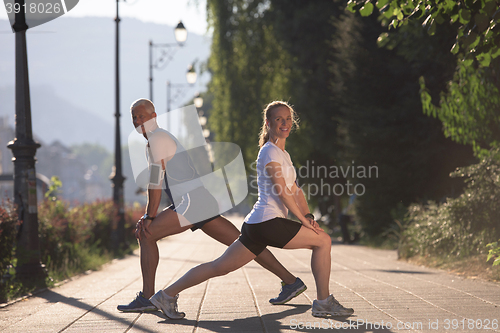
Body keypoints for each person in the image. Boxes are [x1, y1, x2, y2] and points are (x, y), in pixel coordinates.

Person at [149, 101, 354, 319]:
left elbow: (296, 191)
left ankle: (166, 295)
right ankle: (323, 302)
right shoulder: (269, 152)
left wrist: (308, 215)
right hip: (268, 222)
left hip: (257, 225)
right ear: (268, 123)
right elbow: (282, 191)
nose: (284, 123)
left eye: (287, 119)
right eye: (278, 119)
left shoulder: (282, 154)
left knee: (219, 266)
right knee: (323, 241)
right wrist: (302, 221)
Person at [117, 99, 306, 313]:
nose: (137, 120)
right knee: (246, 243)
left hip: (191, 202)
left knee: (146, 234)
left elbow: (155, 184)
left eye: (142, 115)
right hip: (199, 200)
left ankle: (147, 297)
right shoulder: (158, 139)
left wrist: (148, 217)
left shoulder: (156, 139)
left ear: (154, 117)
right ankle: (291, 282)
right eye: (134, 117)